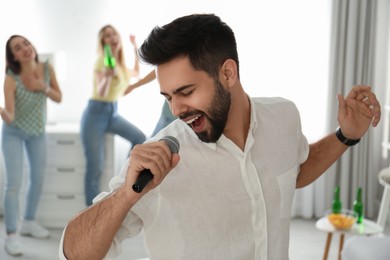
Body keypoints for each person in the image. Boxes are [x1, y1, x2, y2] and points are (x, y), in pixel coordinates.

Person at [60, 14, 381, 260]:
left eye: (185, 92)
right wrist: (125, 196)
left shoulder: (284, 115)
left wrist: (345, 136)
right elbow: (74, 252)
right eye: (168, 96)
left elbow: (295, 167)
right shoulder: (160, 161)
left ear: (228, 73)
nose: (176, 109)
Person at [1, 35, 62, 256]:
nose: (25, 48)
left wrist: (41, 86)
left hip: (37, 132)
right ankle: (11, 236)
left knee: (37, 178)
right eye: (18, 48)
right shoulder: (11, 78)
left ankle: (28, 221)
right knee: (13, 185)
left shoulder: (47, 68)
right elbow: (10, 117)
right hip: (13, 133)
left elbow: (58, 97)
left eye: (25, 43)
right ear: (14, 56)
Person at [80, 25, 146, 206]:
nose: (112, 37)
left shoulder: (119, 63)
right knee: (96, 168)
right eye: (107, 36)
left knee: (139, 138)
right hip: (95, 113)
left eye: (114, 34)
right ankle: (90, 212)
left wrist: (134, 47)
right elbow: (101, 92)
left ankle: (122, 182)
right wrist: (107, 77)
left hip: (112, 113)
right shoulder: (102, 61)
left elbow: (136, 73)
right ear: (103, 42)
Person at [126, 70, 177, 137]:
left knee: (152, 143)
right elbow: (157, 70)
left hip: (175, 118)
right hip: (168, 115)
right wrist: (133, 86)